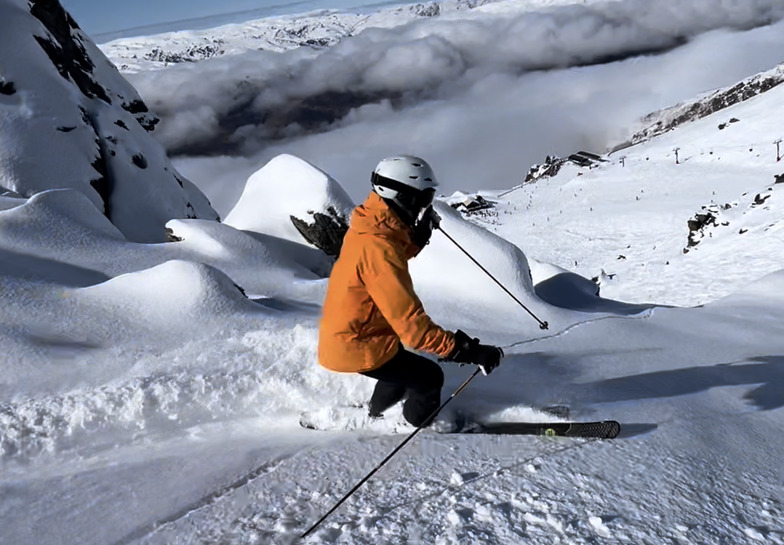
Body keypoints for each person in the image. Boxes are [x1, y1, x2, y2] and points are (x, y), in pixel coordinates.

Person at [318, 155, 504, 428]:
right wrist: (467, 351)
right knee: (429, 377)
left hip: (354, 336)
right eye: (423, 198)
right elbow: (414, 330)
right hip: (357, 344)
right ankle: (413, 424)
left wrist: (415, 240)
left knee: (397, 364)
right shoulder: (378, 248)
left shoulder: (369, 225)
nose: (424, 206)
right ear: (401, 196)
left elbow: (385, 259)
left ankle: (376, 412)